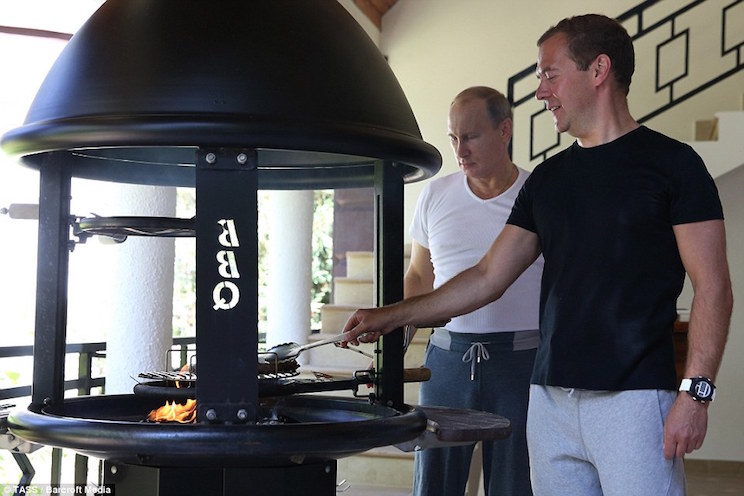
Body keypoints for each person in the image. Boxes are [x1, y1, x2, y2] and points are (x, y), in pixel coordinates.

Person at [342, 14, 733, 496]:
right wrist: (391, 315)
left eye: (550, 74)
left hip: (634, 402)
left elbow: (714, 287)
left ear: (598, 70)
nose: (540, 91)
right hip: (549, 402)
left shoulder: (674, 165)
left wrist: (696, 394)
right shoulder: (547, 180)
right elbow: (487, 276)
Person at [406, 86, 542, 496]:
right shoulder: (435, 194)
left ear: (504, 130)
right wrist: (396, 338)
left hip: (521, 360)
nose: (460, 150)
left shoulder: (538, 193)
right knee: (434, 485)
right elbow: (419, 275)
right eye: (453, 138)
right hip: (447, 360)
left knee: (515, 486)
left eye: (471, 137)